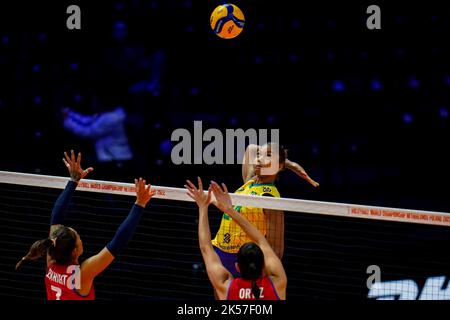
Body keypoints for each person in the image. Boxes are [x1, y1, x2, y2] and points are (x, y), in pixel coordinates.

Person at [15, 150, 156, 300]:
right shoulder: (80, 275)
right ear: (75, 251)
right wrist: (139, 204)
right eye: (78, 237)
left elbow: (56, 218)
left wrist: (73, 180)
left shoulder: (52, 259)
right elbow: (117, 243)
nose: (81, 238)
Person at [210, 142, 319, 277]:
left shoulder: (271, 198)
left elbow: (276, 249)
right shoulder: (250, 181)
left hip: (245, 260)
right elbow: (251, 148)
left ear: (278, 166)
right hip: (221, 253)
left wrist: (263, 277)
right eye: (258, 155)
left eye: (268, 155)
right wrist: (289, 164)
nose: (259, 159)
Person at [186, 178, 287, 300]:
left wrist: (203, 207)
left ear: (237, 267)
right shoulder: (278, 284)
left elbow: (206, 248)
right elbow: (261, 240)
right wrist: (230, 210)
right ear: (263, 266)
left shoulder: (226, 288)